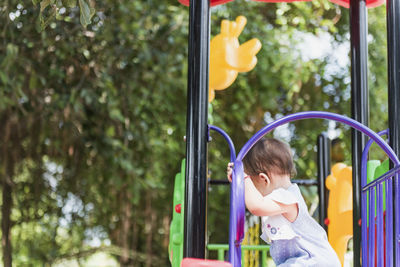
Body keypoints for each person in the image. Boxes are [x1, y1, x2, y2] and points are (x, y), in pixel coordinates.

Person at [227, 137, 340, 267]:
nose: (255, 194)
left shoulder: (288, 197)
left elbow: (256, 206)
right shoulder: (283, 197)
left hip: (315, 260)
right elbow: (252, 201)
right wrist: (240, 183)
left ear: (264, 179)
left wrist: (244, 177)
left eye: (254, 188)